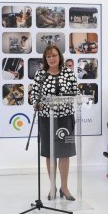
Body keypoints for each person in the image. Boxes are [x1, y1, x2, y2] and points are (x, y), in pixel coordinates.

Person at [29, 44, 79, 200]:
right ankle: (52, 187)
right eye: (48, 56)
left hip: (65, 117)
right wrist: (36, 103)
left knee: (65, 153)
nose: (51, 59)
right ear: (45, 58)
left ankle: (64, 187)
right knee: (50, 153)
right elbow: (33, 96)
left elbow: (76, 93)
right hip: (46, 118)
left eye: (54, 55)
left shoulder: (68, 73)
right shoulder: (40, 74)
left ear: (59, 57)